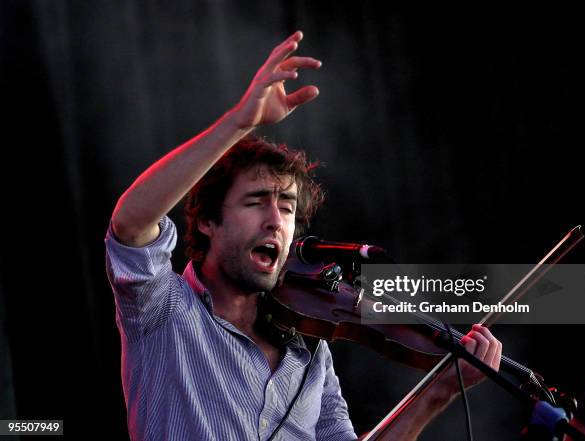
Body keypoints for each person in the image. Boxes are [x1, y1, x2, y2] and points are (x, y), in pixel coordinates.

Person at [105, 31, 502, 441]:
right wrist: (241, 121)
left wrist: (437, 394)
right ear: (207, 220)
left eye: (288, 207)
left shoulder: (310, 349)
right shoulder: (162, 309)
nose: (276, 220)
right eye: (256, 201)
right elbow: (131, 224)